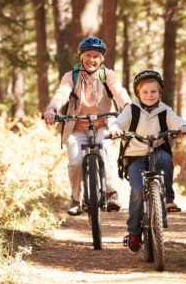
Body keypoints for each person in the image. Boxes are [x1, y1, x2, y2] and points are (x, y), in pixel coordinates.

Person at [43, 36, 131, 216]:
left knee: (105, 149)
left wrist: (128, 106)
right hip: (77, 126)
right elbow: (62, 94)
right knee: (75, 162)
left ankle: (111, 193)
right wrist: (52, 108)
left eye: (96, 56)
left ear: (102, 59)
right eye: (88, 55)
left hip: (104, 123)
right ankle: (76, 198)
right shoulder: (71, 76)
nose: (92, 60)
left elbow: (119, 92)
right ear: (81, 56)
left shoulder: (108, 75)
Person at [108, 69, 186, 252]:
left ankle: (168, 197)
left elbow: (176, 121)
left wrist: (183, 127)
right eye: (145, 92)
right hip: (135, 157)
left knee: (166, 159)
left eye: (154, 91)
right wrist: (115, 129)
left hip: (157, 151)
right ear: (138, 93)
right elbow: (119, 122)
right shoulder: (131, 109)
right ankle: (134, 233)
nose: (149, 95)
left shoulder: (164, 110)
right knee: (137, 191)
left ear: (160, 92)